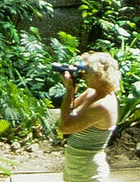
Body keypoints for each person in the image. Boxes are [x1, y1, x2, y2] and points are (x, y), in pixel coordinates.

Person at [58, 52, 120, 182]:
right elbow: (70, 111)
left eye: (87, 71)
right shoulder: (93, 92)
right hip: (75, 167)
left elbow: (64, 127)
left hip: (88, 173)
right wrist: (72, 89)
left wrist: (69, 91)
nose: (83, 75)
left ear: (99, 75)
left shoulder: (103, 105)